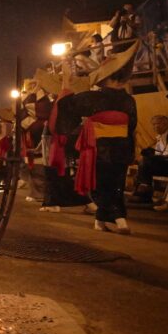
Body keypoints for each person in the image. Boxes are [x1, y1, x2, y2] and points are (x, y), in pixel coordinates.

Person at [55, 43, 138, 234]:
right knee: (114, 184)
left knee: (104, 184)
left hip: (100, 148)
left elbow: (67, 108)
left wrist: (66, 84)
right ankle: (116, 218)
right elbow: (132, 125)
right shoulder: (128, 100)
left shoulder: (93, 98)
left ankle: (111, 218)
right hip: (120, 147)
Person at [130, 115, 168, 203]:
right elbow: (160, 152)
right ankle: (143, 192)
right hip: (165, 163)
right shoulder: (160, 137)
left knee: (145, 162)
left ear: (167, 124)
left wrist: (158, 158)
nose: (155, 126)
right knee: (142, 162)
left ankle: (145, 193)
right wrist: (152, 153)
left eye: (158, 124)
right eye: (154, 124)